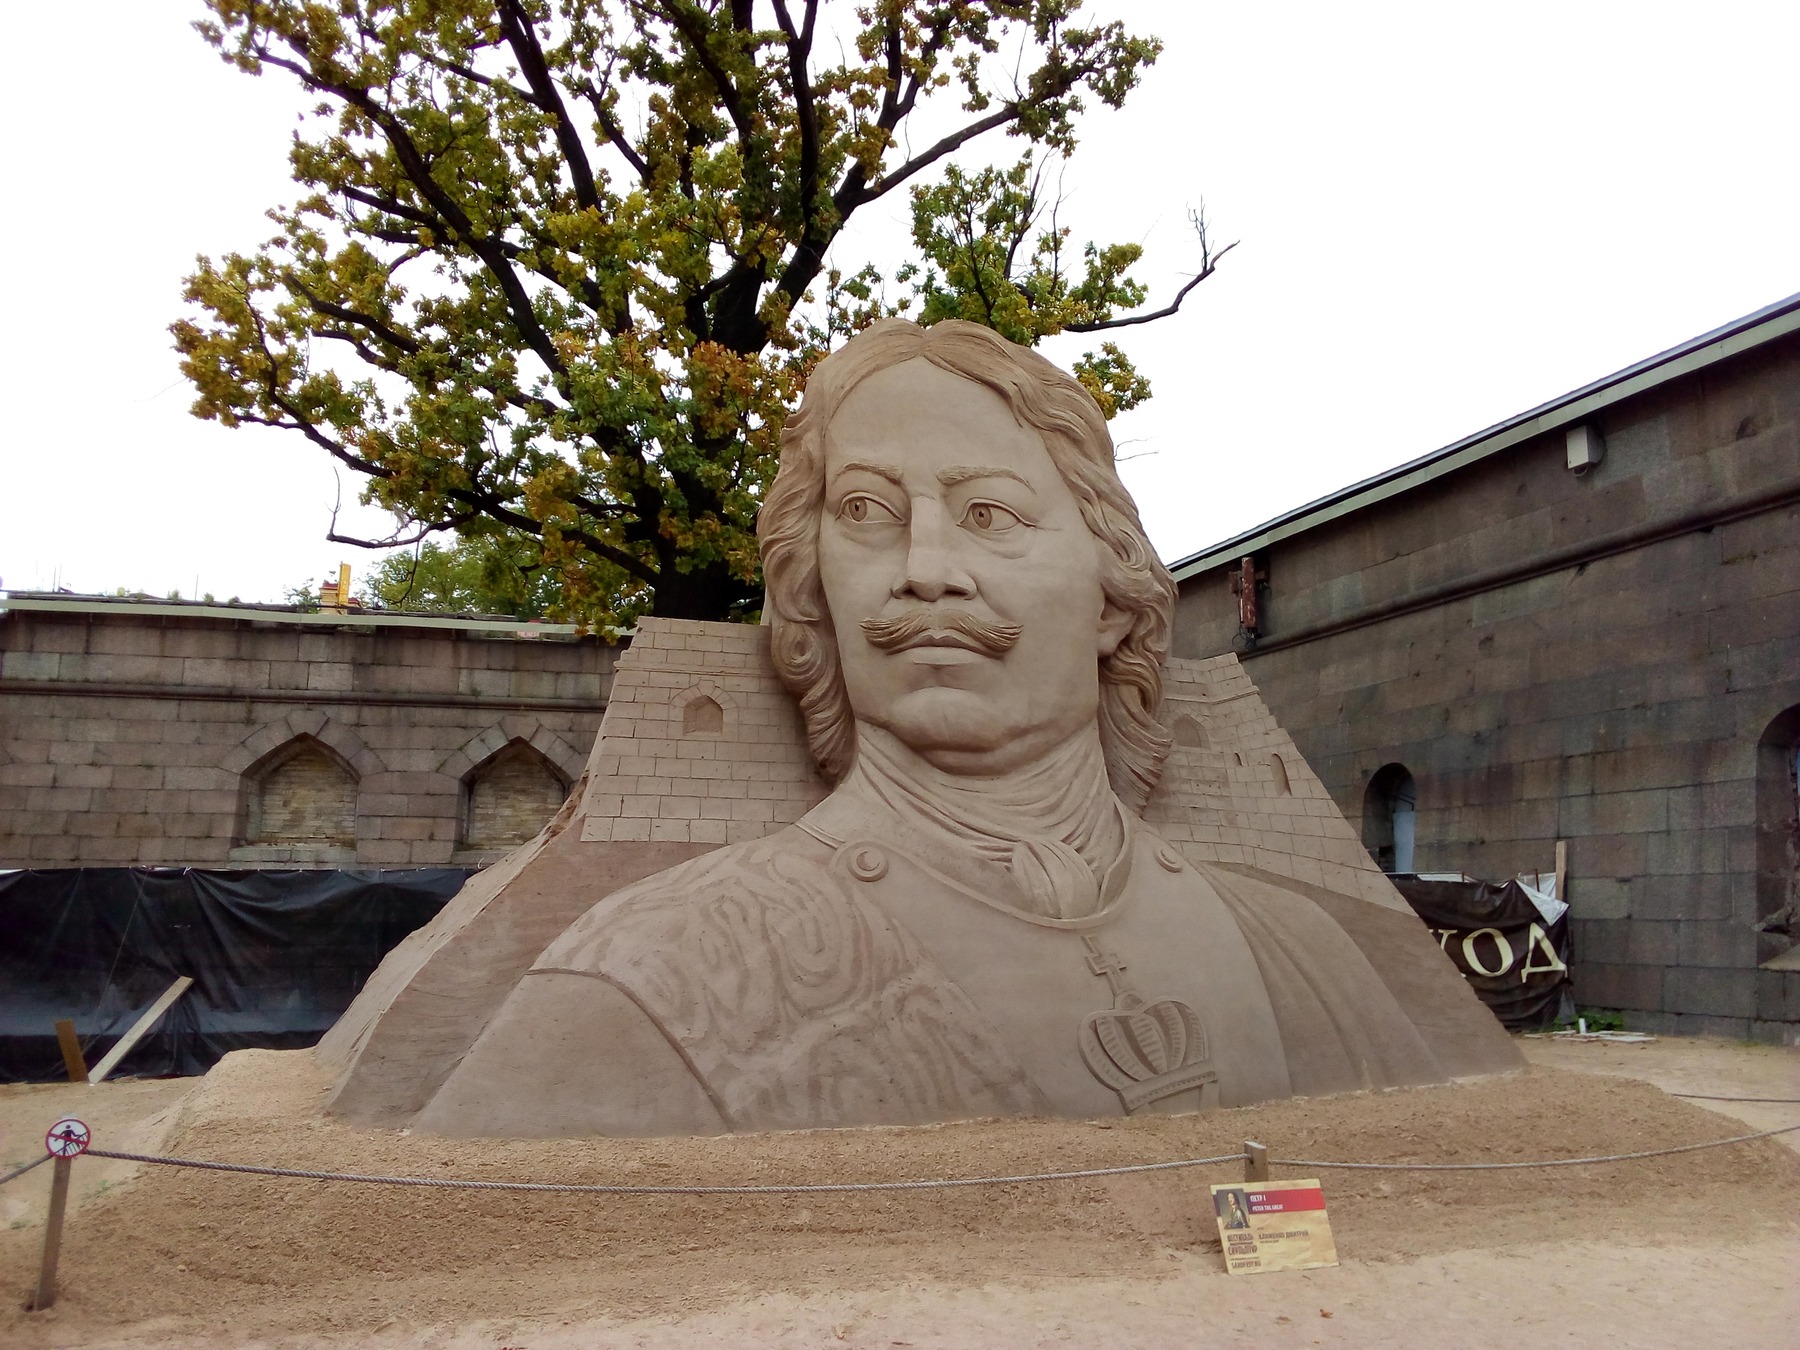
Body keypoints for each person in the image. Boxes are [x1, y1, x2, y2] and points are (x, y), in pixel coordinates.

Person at [414, 320, 1455, 1137]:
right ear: (812, 590)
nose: (925, 568)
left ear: (1112, 592)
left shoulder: (1299, 953)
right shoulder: (648, 976)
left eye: (989, 515)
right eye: (866, 514)